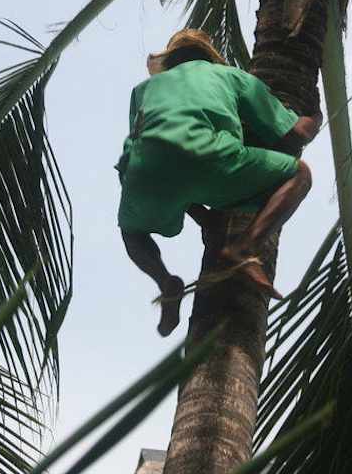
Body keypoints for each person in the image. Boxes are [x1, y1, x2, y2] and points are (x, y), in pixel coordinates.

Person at [116, 29, 321, 336]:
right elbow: (295, 136)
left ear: (170, 61)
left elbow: (151, 145)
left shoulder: (143, 90)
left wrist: (204, 218)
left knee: (132, 231)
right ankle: (244, 248)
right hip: (212, 161)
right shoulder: (229, 77)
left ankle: (164, 280)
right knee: (299, 174)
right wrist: (315, 117)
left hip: (145, 173)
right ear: (209, 56)